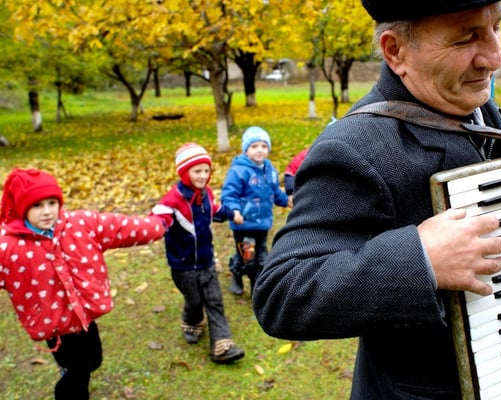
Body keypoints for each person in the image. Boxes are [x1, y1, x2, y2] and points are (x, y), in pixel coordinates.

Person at [253, 1, 501, 399]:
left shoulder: (483, 112)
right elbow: (280, 292)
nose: (494, 58)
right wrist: (422, 260)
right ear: (395, 51)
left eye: (496, 29)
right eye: (467, 37)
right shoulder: (353, 147)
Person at [0, 168, 166, 400]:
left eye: (51, 203)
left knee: (93, 359)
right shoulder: (8, 246)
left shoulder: (78, 224)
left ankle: (71, 374)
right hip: (53, 323)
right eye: (37, 206)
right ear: (21, 207)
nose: (47, 212)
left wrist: (158, 224)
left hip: (85, 315)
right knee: (78, 370)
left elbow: (121, 227)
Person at [151, 142, 245, 364]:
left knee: (214, 300)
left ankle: (222, 346)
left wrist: (233, 214)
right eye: (197, 171)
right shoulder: (172, 200)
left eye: (206, 171)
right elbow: (157, 219)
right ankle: (191, 323)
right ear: (184, 172)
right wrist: (153, 228)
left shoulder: (205, 194)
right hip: (183, 266)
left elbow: (215, 209)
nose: (203, 176)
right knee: (194, 301)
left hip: (206, 260)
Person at [221, 126, 292, 296]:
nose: (260, 150)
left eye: (263, 146)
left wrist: (286, 200)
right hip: (244, 224)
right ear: (246, 149)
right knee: (247, 257)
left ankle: (257, 288)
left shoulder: (270, 170)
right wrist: (234, 211)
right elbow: (229, 195)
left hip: (263, 223)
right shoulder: (239, 171)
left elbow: (274, 192)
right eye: (254, 146)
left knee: (261, 257)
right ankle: (237, 275)